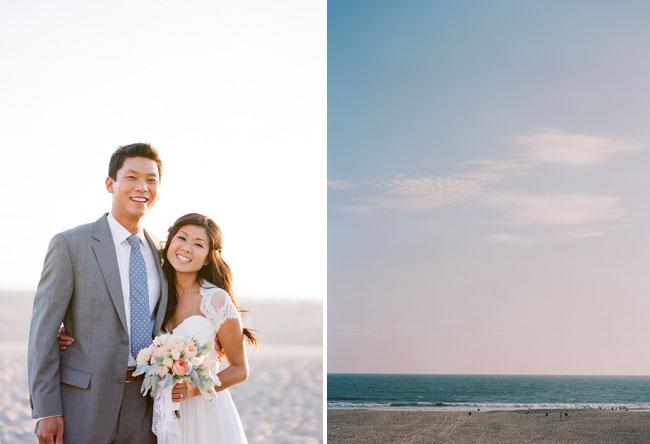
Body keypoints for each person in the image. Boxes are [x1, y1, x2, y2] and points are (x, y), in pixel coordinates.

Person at [59, 213, 256, 443]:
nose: (187, 248)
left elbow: (240, 369)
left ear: (207, 259)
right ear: (170, 242)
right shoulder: (156, 293)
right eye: (182, 238)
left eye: (198, 244)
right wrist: (69, 329)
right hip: (162, 412)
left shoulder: (217, 301)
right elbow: (116, 313)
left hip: (205, 412)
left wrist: (194, 389)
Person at [28, 143, 166, 444]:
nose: (142, 187)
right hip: (83, 403)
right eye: (131, 177)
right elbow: (43, 331)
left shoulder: (163, 252)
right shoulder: (70, 244)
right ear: (110, 183)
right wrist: (46, 410)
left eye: (151, 179)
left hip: (145, 404)